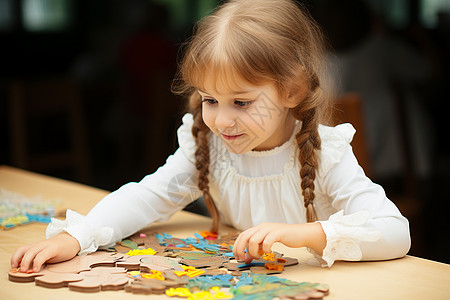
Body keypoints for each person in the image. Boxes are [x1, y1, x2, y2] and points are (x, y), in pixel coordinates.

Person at [11, 0, 410, 272]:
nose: (221, 120)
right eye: (210, 100)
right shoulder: (208, 145)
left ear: (292, 90)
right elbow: (147, 195)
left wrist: (304, 234)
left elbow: (396, 233)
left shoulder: (328, 153)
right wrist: (76, 238)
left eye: (241, 101)